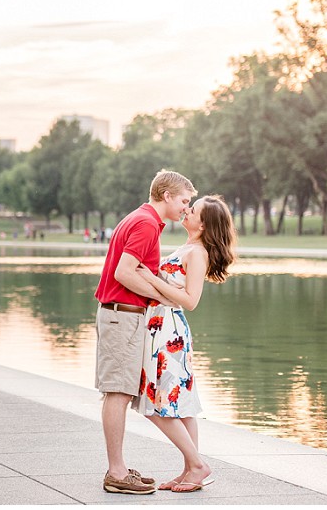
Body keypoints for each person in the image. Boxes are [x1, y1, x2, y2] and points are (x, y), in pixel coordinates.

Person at [94, 169, 196, 495]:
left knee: (120, 391)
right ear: (166, 196)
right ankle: (116, 472)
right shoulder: (146, 223)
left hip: (124, 316)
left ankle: (119, 468)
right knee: (118, 392)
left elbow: (131, 270)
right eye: (184, 200)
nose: (185, 207)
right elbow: (125, 272)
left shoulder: (141, 219)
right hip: (122, 316)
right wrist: (161, 296)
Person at [131, 195, 237, 493]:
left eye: (194, 209)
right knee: (181, 406)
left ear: (203, 224)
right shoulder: (188, 247)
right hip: (159, 325)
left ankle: (198, 465)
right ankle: (191, 468)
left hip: (169, 329)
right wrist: (154, 280)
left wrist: (152, 280)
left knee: (155, 404)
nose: (187, 210)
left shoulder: (198, 253)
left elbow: (190, 301)